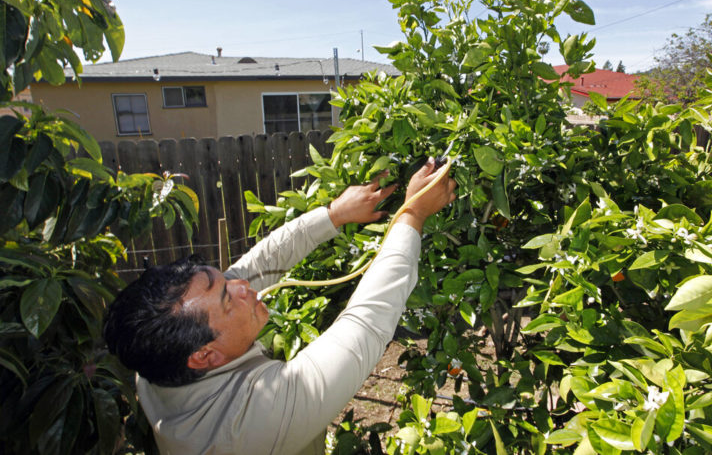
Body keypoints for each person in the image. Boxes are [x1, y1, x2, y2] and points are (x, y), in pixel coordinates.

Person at [103, 157, 456, 455]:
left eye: (224, 281)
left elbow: (258, 265)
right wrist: (413, 213)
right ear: (205, 356)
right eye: (228, 298)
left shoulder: (159, 357)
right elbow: (366, 323)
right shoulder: (249, 422)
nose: (242, 286)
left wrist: (333, 214)